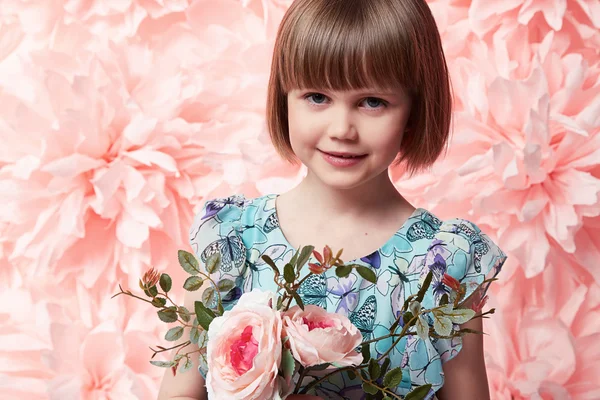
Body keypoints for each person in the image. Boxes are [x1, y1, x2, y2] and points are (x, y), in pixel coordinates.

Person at [158, 0, 507, 398]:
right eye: (318, 97)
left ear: (414, 110)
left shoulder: (446, 261)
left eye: (372, 102)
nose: (342, 128)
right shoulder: (231, 240)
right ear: (283, 98)